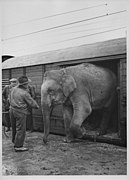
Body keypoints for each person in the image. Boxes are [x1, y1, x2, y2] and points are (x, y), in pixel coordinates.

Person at [9, 76, 39, 152]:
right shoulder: (24, 93)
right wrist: (37, 106)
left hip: (11, 110)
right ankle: (18, 146)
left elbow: (9, 99)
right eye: (27, 83)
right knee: (21, 129)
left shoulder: (13, 89)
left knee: (14, 127)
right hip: (20, 112)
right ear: (25, 84)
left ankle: (15, 141)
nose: (28, 85)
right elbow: (32, 103)